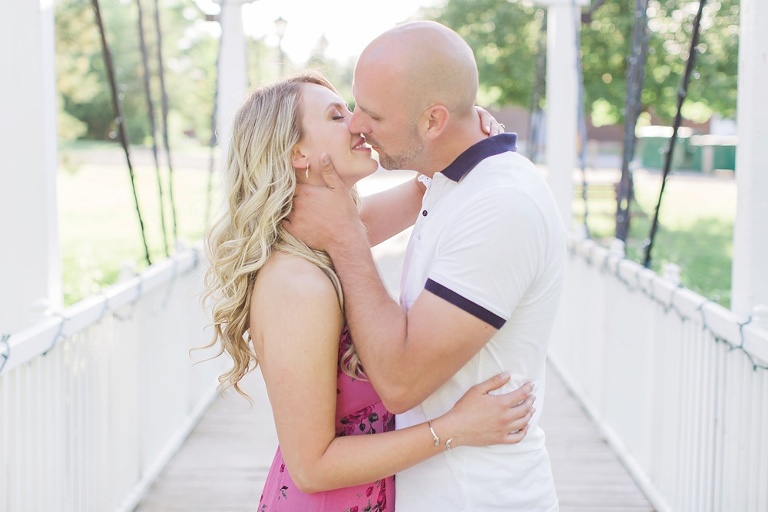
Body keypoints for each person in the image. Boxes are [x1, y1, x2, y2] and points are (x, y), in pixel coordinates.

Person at [202, 73, 537, 511]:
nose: (358, 124)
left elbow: (428, 188)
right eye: (337, 115)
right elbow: (311, 467)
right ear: (298, 152)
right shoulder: (296, 283)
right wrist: (454, 427)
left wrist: (459, 128)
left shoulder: (328, 237)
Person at [285, 21, 566, 511]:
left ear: (433, 121)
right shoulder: (449, 181)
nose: (356, 125)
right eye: (347, 110)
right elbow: (323, 234)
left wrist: (347, 238)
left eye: (370, 114)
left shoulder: (501, 203)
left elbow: (400, 383)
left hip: (480, 497)